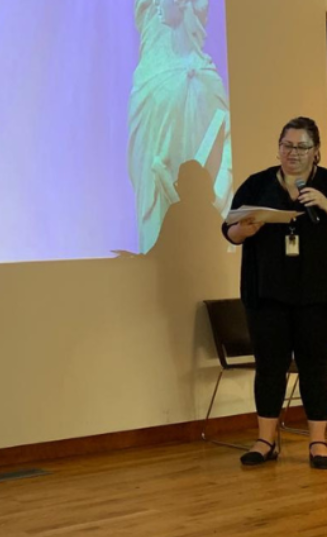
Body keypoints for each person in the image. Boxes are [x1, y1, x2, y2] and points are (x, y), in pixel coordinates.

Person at [222, 117, 327, 468]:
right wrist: (243, 229)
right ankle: (265, 440)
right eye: (287, 145)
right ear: (278, 147)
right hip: (266, 294)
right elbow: (230, 232)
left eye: (301, 147)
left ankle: (318, 443)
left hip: (317, 295)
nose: (292, 153)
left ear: (316, 152)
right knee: (269, 367)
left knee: (316, 367)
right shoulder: (257, 185)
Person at [128, 0, 232, 253]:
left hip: (210, 238)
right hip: (157, 86)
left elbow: (227, 148)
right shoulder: (153, 85)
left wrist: (217, 199)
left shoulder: (208, 84)